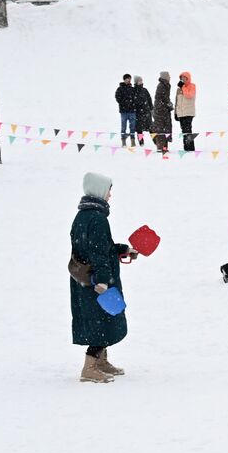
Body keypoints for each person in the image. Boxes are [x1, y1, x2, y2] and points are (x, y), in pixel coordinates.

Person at [69, 172, 136, 383]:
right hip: (95, 282)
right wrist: (103, 281)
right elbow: (98, 254)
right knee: (101, 322)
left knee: (104, 319)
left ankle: (101, 361)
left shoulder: (84, 216)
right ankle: (89, 367)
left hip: (86, 279)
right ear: (99, 191)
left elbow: (102, 248)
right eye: (108, 190)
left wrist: (124, 249)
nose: (110, 195)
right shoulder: (97, 219)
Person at [176, 72, 198, 152]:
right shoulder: (180, 88)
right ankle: (186, 148)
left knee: (188, 130)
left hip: (188, 112)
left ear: (188, 78)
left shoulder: (192, 86)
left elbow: (189, 95)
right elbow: (177, 101)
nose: (183, 79)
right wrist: (176, 112)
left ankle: (190, 148)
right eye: (182, 78)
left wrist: (183, 87)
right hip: (181, 113)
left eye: (184, 78)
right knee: (183, 131)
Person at [152, 72, 173, 153]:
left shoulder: (165, 85)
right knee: (160, 129)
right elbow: (160, 97)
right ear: (165, 77)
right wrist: (167, 104)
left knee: (165, 129)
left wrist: (168, 104)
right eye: (168, 75)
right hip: (160, 111)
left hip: (164, 111)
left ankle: (164, 147)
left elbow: (165, 98)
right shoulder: (161, 85)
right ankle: (160, 147)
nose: (170, 77)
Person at [115, 74, 137, 146]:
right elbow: (118, 98)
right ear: (124, 79)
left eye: (130, 79)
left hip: (132, 111)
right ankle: (123, 141)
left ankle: (132, 141)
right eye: (127, 79)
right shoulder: (120, 89)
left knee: (132, 126)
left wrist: (133, 103)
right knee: (123, 126)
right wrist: (125, 103)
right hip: (124, 111)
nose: (129, 80)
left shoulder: (132, 89)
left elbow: (135, 98)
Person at [131, 76, 152, 147]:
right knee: (139, 130)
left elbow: (149, 100)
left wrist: (151, 108)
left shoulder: (145, 90)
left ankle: (156, 142)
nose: (141, 82)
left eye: (141, 80)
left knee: (151, 128)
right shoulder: (133, 90)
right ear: (136, 82)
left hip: (147, 112)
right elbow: (133, 101)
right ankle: (141, 143)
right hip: (138, 113)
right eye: (139, 81)